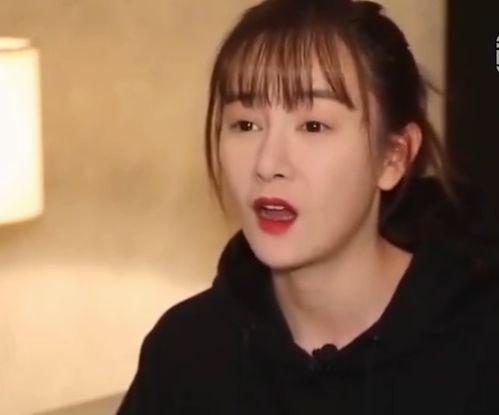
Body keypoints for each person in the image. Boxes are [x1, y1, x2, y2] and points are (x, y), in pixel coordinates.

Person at [117, 0, 499, 413]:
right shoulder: (184, 353)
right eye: (245, 124)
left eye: (313, 126)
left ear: (394, 157)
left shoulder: (481, 340)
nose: (268, 164)